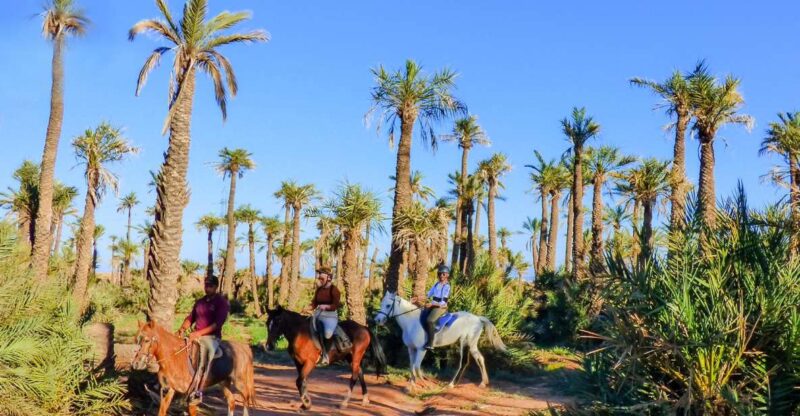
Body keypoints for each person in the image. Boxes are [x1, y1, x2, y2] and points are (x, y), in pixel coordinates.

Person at [176, 275, 230, 404]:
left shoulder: (221, 303)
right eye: (206, 285)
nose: (207, 288)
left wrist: (198, 334)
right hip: (196, 335)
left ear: (216, 287)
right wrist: (182, 329)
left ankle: (198, 392)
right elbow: (191, 317)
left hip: (211, 337)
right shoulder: (200, 302)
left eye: (210, 286)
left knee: (204, 358)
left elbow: (217, 324)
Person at [306, 266, 341, 365]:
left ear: (329, 278)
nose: (320, 280)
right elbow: (314, 303)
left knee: (327, 334)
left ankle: (326, 356)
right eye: (319, 278)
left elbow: (336, 305)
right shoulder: (319, 290)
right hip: (318, 314)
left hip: (330, 316)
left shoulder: (334, 290)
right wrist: (308, 308)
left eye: (322, 279)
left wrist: (326, 306)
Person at [414, 264, 451, 350]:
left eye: (443, 274)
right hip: (433, 305)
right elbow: (428, 295)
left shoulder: (447, 286)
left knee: (430, 320)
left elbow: (443, 302)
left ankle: (430, 343)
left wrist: (432, 304)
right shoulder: (436, 284)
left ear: (447, 275)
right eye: (440, 274)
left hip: (440, 307)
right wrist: (417, 298)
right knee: (421, 315)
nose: (441, 275)